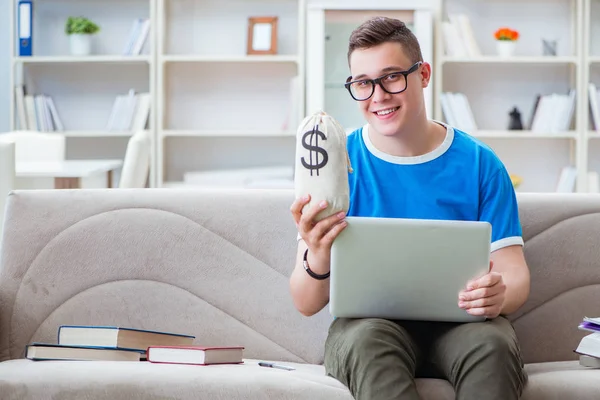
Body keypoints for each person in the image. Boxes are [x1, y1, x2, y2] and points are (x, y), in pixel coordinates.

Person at [289, 16, 530, 400]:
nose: (378, 95)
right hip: (368, 329)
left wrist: (499, 295)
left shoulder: (480, 164)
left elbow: (515, 274)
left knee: (493, 345)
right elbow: (305, 302)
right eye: (363, 83)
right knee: (368, 343)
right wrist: (317, 254)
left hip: (463, 326)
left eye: (392, 77)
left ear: (423, 74)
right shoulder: (335, 161)